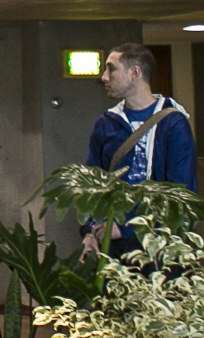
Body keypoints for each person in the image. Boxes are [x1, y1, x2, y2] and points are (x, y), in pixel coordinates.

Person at [81, 44, 196, 258]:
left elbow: (180, 192)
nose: (104, 77)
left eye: (111, 69)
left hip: (158, 243)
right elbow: (93, 183)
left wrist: (127, 227)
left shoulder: (172, 124)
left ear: (135, 73)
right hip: (112, 241)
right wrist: (89, 231)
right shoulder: (106, 123)